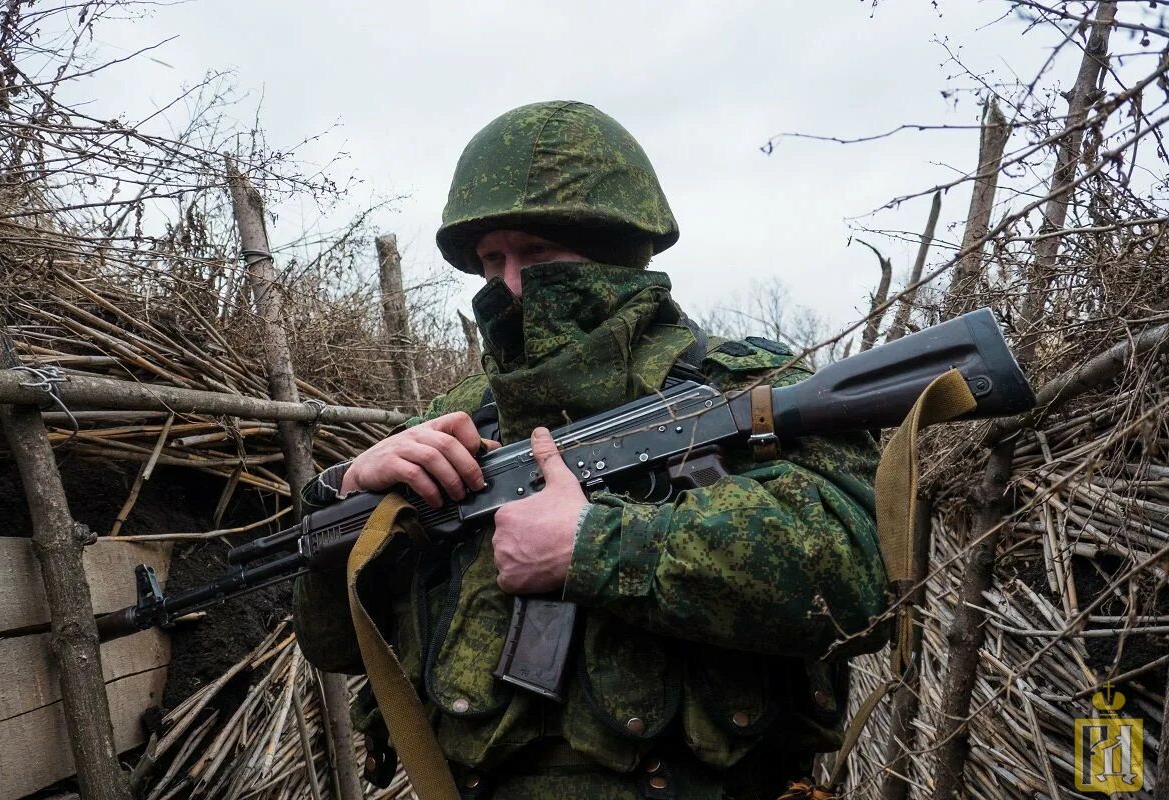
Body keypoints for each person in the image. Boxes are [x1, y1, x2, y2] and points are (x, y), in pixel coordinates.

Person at [293, 100, 888, 800]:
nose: (510, 285)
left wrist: (596, 548)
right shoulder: (454, 422)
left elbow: (857, 580)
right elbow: (335, 647)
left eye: (538, 254)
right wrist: (346, 500)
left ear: (615, 249)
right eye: (491, 259)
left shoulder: (746, 387)